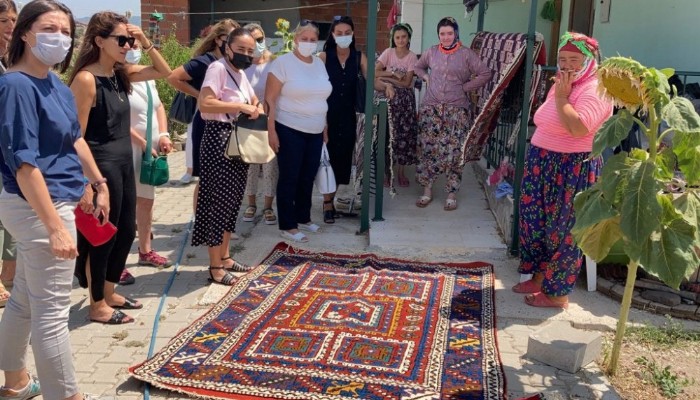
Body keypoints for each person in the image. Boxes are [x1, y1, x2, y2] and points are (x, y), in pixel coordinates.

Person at [0, 1, 111, 399]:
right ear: (25, 33)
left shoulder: (54, 84)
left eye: (66, 32)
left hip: (53, 201)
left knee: (27, 302)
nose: (60, 38)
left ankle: (14, 384)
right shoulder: (15, 85)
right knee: (51, 314)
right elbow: (24, 164)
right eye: (50, 28)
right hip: (36, 205)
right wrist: (54, 227)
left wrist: (97, 181)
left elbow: (74, 138)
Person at [68, 11, 171, 324]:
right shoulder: (86, 79)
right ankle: (97, 303)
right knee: (103, 237)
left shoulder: (119, 73)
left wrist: (144, 39)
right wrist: (89, 182)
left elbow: (163, 72)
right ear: (99, 41)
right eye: (122, 40)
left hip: (124, 162)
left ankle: (109, 291)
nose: (128, 45)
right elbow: (76, 135)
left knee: (126, 231)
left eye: (130, 39)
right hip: (101, 167)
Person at [512, 32, 613, 309]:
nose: (567, 65)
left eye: (574, 60)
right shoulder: (562, 85)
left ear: (589, 61)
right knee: (536, 224)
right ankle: (540, 276)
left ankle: (557, 294)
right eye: (563, 59)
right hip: (543, 161)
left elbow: (579, 127)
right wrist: (560, 94)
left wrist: (562, 97)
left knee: (564, 230)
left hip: (572, 168)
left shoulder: (597, 89)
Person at [192, 27, 260, 285]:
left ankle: (226, 256)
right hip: (218, 138)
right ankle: (214, 266)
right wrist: (239, 106)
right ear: (227, 47)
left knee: (232, 201)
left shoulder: (240, 73)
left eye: (250, 51)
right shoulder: (218, 69)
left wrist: (257, 105)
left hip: (237, 140)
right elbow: (205, 103)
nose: (245, 55)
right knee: (217, 202)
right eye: (241, 49)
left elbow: (253, 99)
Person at [413, 17, 491, 211]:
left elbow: (485, 73)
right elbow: (417, 66)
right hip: (431, 109)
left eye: (449, 33)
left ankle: (451, 193)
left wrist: (466, 87)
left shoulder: (466, 54)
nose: (446, 37)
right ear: (438, 35)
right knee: (428, 150)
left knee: (455, 152)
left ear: (456, 33)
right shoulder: (431, 52)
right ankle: (427, 190)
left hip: (457, 111)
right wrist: (425, 76)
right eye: (442, 33)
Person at [266, 20, 333, 242]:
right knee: (290, 176)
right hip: (289, 129)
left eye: (313, 40)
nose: (308, 43)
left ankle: (303, 217)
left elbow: (321, 96)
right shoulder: (282, 63)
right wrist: (272, 130)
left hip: (315, 130)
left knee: (307, 176)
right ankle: (287, 224)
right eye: (304, 39)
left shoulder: (319, 64)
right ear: (295, 40)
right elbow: (270, 100)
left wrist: (324, 126)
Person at [166, 19, 239, 206]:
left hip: (228, 125)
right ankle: (201, 225)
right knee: (207, 180)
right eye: (228, 38)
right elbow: (174, 77)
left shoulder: (231, 63)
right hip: (207, 123)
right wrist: (200, 95)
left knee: (224, 178)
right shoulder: (204, 62)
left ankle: (219, 227)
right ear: (218, 39)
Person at [126, 42, 173, 271]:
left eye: (136, 45)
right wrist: (141, 142)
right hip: (129, 147)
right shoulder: (117, 77)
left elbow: (158, 106)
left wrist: (163, 134)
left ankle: (145, 250)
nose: (132, 48)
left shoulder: (146, 75)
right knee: (124, 205)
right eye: (128, 44)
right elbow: (116, 116)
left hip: (150, 148)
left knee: (146, 200)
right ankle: (116, 261)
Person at [318, 16, 367, 224]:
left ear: (353, 33)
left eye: (348, 32)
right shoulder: (323, 57)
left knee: (341, 160)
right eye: (339, 33)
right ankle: (327, 202)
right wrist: (321, 122)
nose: (344, 36)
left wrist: (388, 85)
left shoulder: (359, 57)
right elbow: (316, 88)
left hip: (348, 116)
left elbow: (372, 79)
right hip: (325, 115)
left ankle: (332, 198)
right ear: (333, 35)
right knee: (325, 160)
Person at [241, 23, 278, 226]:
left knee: (270, 165)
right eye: (252, 40)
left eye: (260, 39)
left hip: (271, 120)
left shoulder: (274, 63)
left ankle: (268, 206)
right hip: (248, 120)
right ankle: (251, 203)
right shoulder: (242, 64)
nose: (257, 44)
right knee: (250, 165)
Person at [374, 23, 419, 188]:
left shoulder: (412, 57)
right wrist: (393, 74)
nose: (401, 40)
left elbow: (407, 83)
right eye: (397, 37)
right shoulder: (388, 53)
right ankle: (388, 173)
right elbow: (375, 72)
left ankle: (400, 173)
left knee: (404, 137)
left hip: (405, 102)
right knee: (388, 136)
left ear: (408, 38)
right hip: (389, 98)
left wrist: (388, 79)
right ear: (393, 39)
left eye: (404, 37)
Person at [0, 0, 17, 309]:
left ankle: (9, 278)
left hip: (12, 153)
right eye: (4, 21)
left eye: (14, 19)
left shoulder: (10, 60)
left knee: (12, 221)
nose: (11, 26)